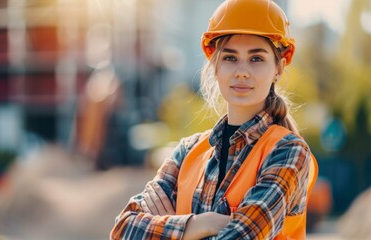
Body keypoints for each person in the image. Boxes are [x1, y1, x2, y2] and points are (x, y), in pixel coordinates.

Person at [110, 0, 318, 239]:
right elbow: (123, 229)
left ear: (279, 68)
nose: (241, 70)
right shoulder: (186, 153)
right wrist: (203, 223)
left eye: (256, 59)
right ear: (215, 64)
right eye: (230, 58)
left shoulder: (288, 152)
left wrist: (170, 228)